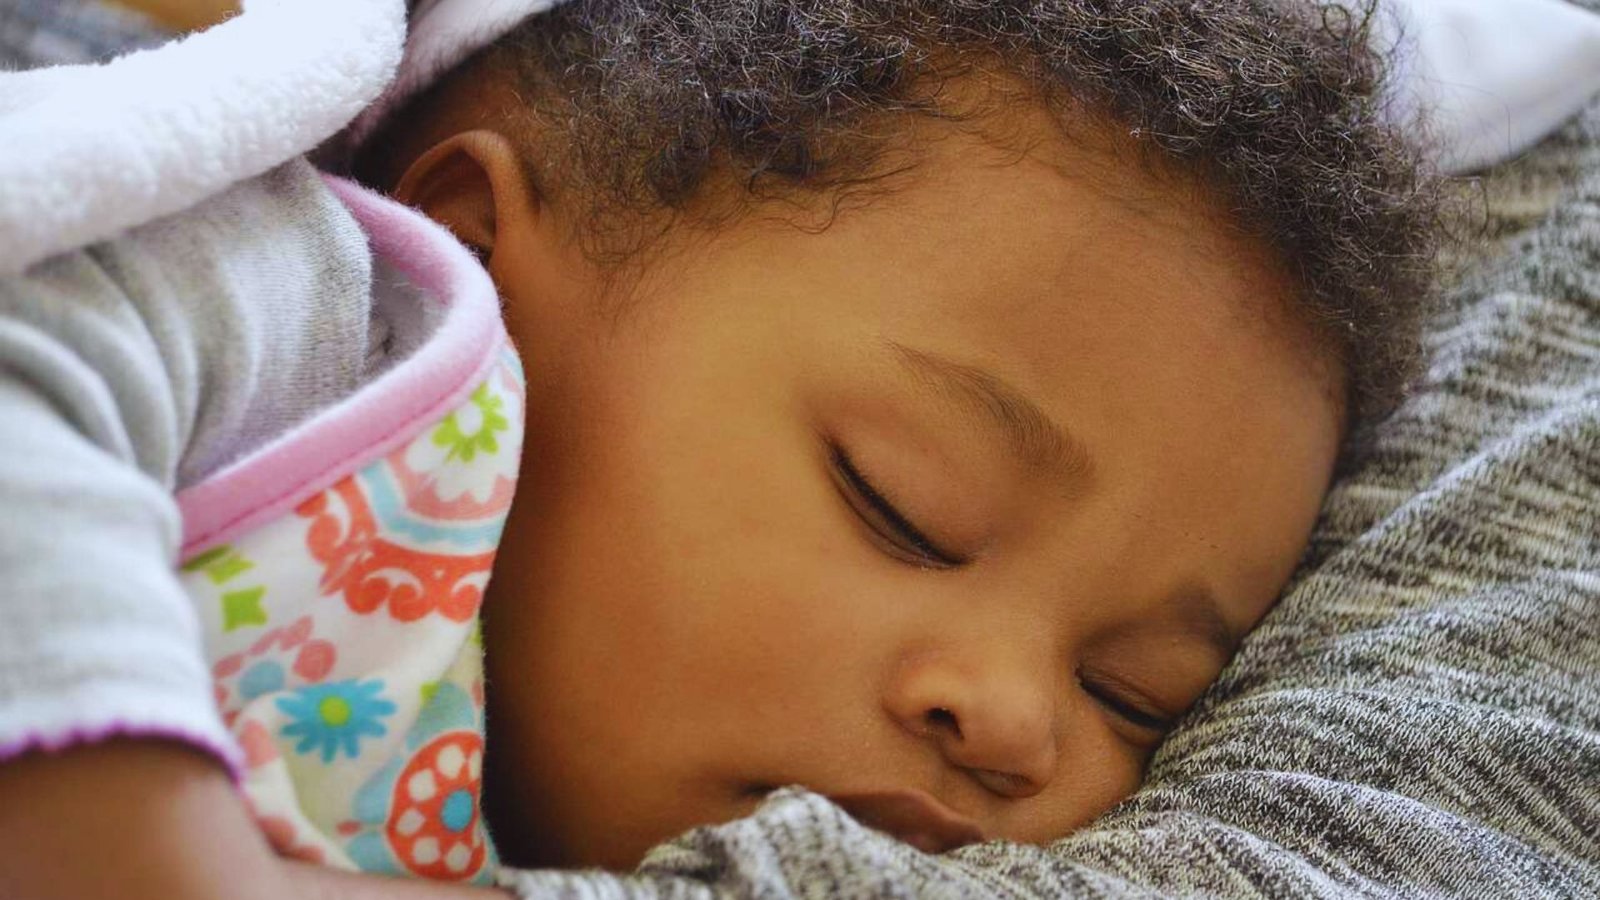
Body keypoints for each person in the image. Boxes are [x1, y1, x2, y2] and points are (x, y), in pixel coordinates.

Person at [0, 0, 1443, 897]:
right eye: (904, 507)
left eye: (1136, 694)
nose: (1014, 723)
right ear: (476, 248)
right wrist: (145, 862)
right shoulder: (314, 305)